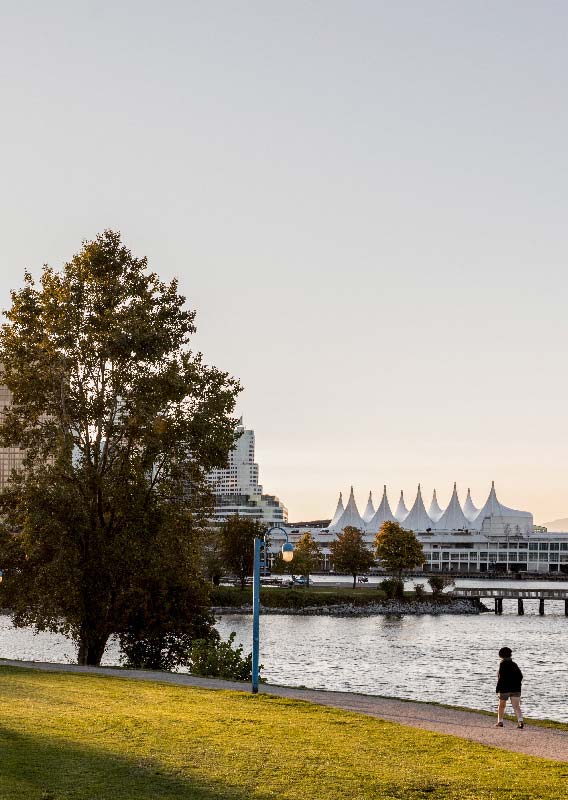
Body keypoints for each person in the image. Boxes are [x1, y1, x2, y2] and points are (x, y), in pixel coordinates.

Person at [495, 646, 524, 729]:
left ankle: (500, 722)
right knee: (516, 706)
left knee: (501, 705)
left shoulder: (502, 664)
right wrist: (517, 684)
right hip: (516, 688)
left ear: (501, 655)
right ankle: (520, 721)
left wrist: (498, 689)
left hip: (504, 688)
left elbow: (501, 678)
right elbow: (521, 676)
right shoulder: (515, 664)